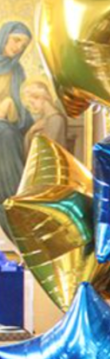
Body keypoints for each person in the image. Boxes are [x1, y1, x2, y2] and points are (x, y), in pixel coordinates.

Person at [0, 21, 34, 238]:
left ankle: (13, 204)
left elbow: (24, 113)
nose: (18, 47)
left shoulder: (17, 71)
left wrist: (11, 105)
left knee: (7, 134)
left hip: (4, 129)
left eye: (23, 45)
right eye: (16, 40)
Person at [21, 79, 67, 155]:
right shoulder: (42, 119)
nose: (32, 107)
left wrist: (32, 132)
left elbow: (47, 148)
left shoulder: (56, 119)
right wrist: (31, 131)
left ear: (41, 98)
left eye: (32, 103)